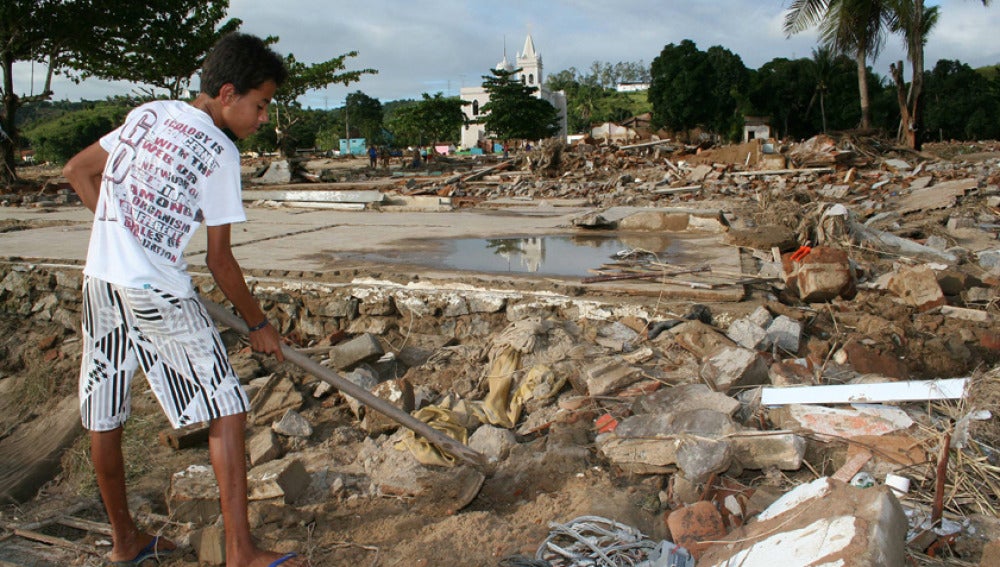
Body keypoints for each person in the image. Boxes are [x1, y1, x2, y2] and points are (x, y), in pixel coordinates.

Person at [63, 33, 309, 567]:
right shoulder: (219, 152)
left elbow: (78, 171)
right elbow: (221, 263)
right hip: (157, 294)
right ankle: (240, 552)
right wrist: (259, 324)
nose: (263, 118)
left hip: (102, 282)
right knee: (227, 409)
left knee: (105, 411)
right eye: (261, 104)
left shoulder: (149, 114)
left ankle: (125, 542)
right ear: (227, 93)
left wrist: (124, 238)